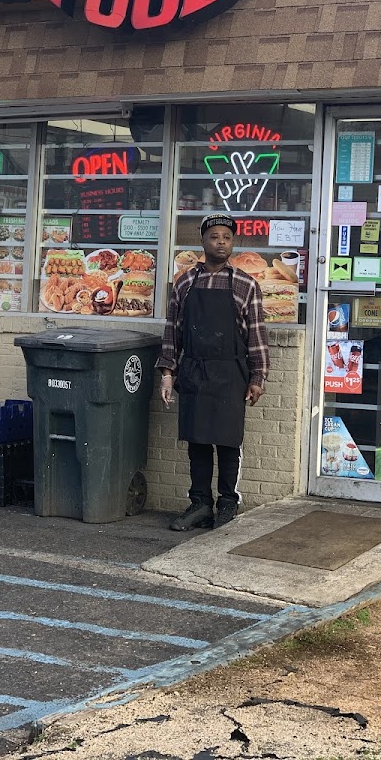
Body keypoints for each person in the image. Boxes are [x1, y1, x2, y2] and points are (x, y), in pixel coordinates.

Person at [157, 213, 268, 531]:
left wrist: (258, 376)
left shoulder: (246, 284)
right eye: (214, 236)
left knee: (228, 442)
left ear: (232, 243)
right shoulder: (185, 282)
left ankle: (227, 503)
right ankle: (200, 504)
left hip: (231, 372)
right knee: (198, 442)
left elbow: (257, 334)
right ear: (203, 242)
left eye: (227, 237)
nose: (221, 242)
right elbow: (172, 332)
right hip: (192, 370)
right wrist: (167, 372)